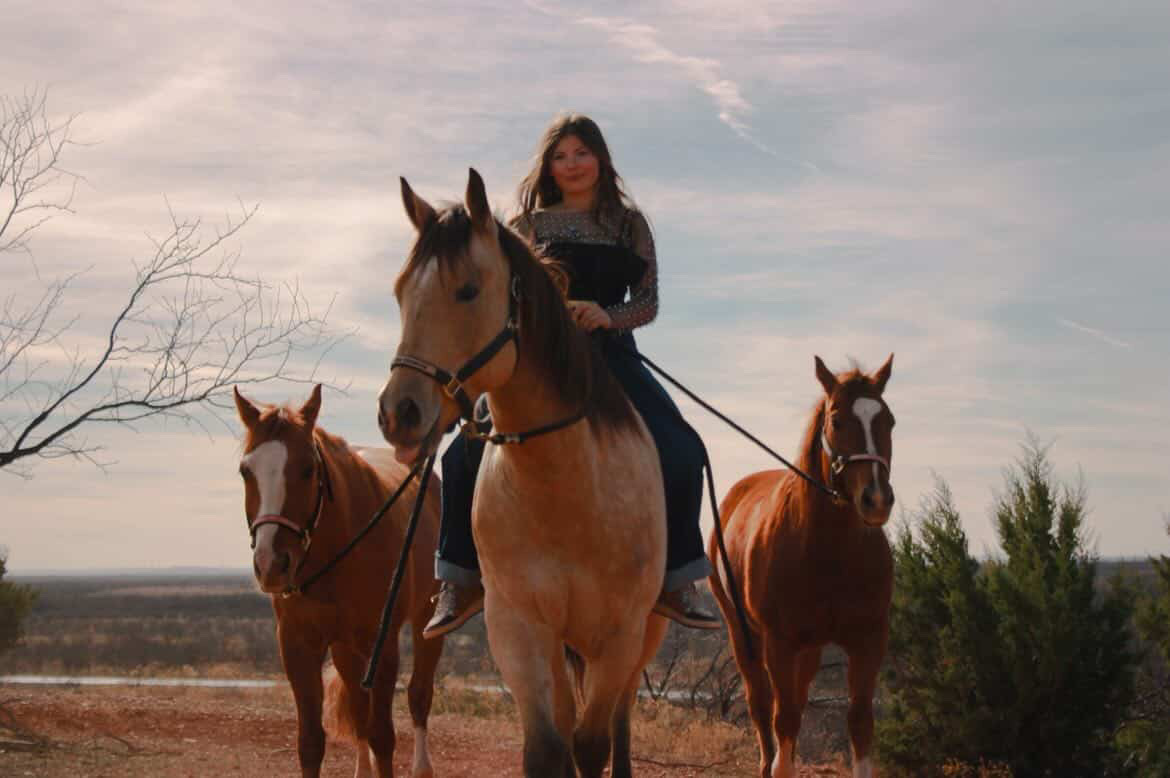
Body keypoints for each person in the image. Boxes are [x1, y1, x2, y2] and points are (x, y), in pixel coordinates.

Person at [423, 113, 720, 639]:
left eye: (581, 153)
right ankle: (459, 580)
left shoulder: (630, 224)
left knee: (682, 448)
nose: (572, 164)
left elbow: (647, 300)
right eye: (561, 156)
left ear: (600, 158)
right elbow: (507, 298)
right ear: (549, 166)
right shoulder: (529, 225)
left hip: (612, 355)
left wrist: (609, 316)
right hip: (540, 361)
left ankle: (677, 580)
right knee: (459, 453)